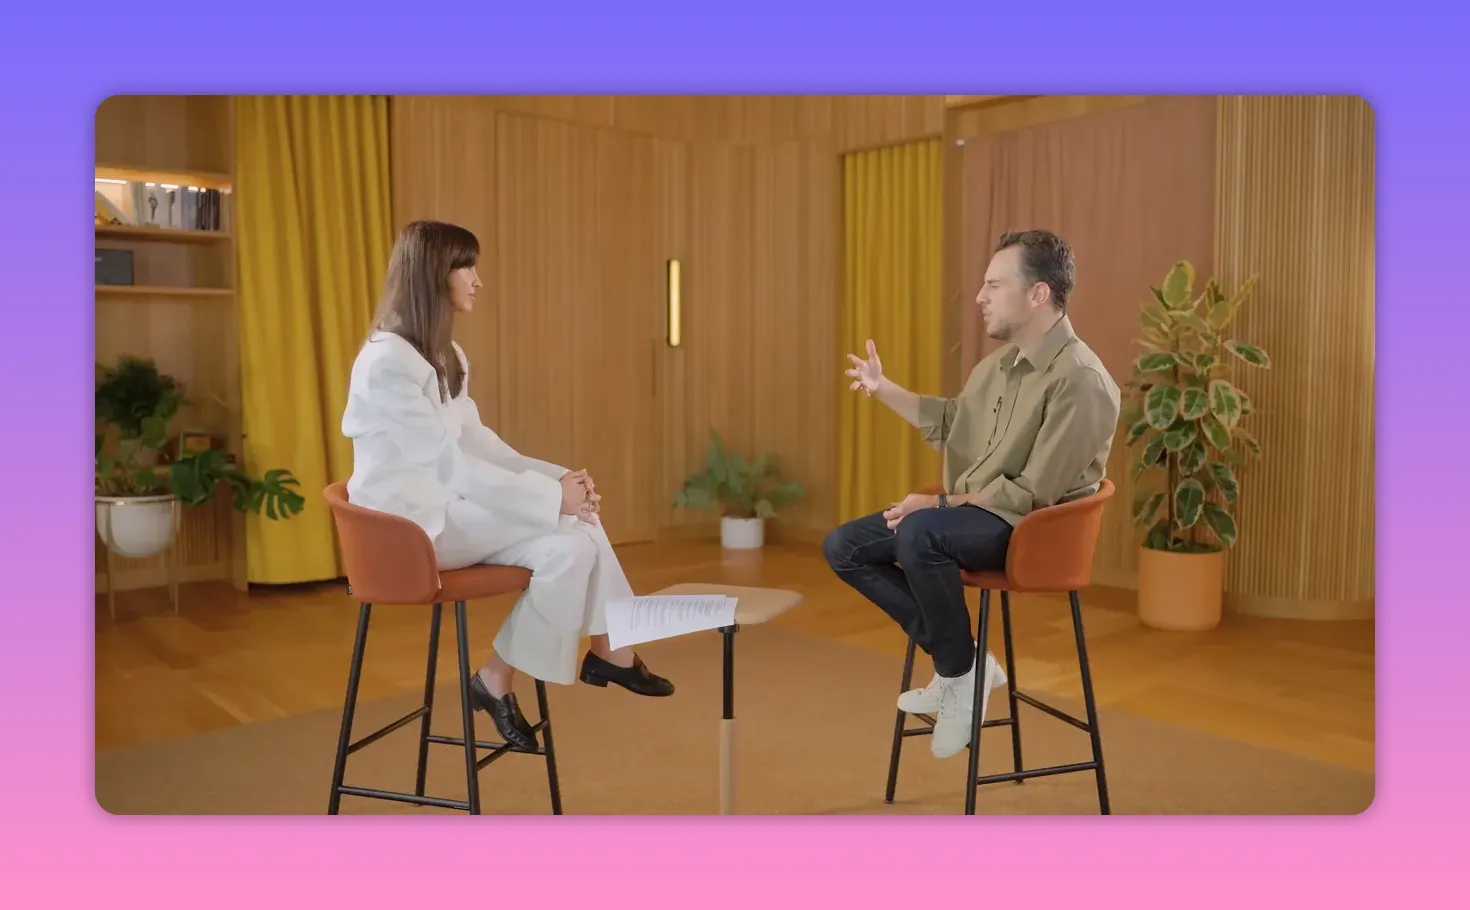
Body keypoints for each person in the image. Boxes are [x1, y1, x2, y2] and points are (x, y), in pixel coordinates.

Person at [341, 220, 673, 753]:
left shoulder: (447, 355)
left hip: (445, 513)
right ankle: (612, 652)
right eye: (465, 266)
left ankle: (497, 680)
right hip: (404, 530)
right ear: (433, 275)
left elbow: (479, 443)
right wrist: (553, 498)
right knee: (571, 520)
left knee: (573, 541)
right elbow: (448, 465)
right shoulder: (386, 364)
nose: (477, 279)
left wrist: (556, 478)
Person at [823, 229, 1120, 759]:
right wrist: (882, 387)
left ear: (1038, 294)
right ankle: (963, 662)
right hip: (978, 515)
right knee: (843, 546)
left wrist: (936, 505)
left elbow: (1030, 496)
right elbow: (954, 422)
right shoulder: (997, 367)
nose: (980, 297)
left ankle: (958, 673)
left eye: (993, 284)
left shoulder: (1081, 380)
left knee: (920, 530)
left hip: (1032, 531)